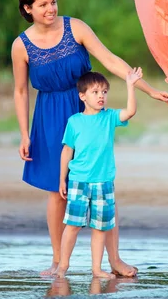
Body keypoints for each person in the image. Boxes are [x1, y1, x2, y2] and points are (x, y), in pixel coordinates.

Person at [11, 0, 168, 276]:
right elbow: (21, 91)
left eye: (53, 1)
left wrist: (149, 90)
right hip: (49, 119)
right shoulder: (20, 46)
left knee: (101, 184)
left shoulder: (76, 28)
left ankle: (114, 260)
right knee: (56, 189)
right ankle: (58, 260)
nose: (51, 8)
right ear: (27, 9)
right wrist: (24, 133)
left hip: (87, 110)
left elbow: (111, 61)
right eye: (43, 4)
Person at [55, 69, 140, 279]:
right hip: (78, 181)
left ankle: (96, 269)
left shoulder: (110, 117)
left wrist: (130, 85)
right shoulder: (74, 121)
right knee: (72, 226)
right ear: (82, 96)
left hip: (103, 183)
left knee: (101, 228)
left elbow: (129, 112)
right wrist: (61, 180)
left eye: (104, 91)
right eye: (95, 92)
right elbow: (67, 151)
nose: (101, 96)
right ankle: (62, 267)